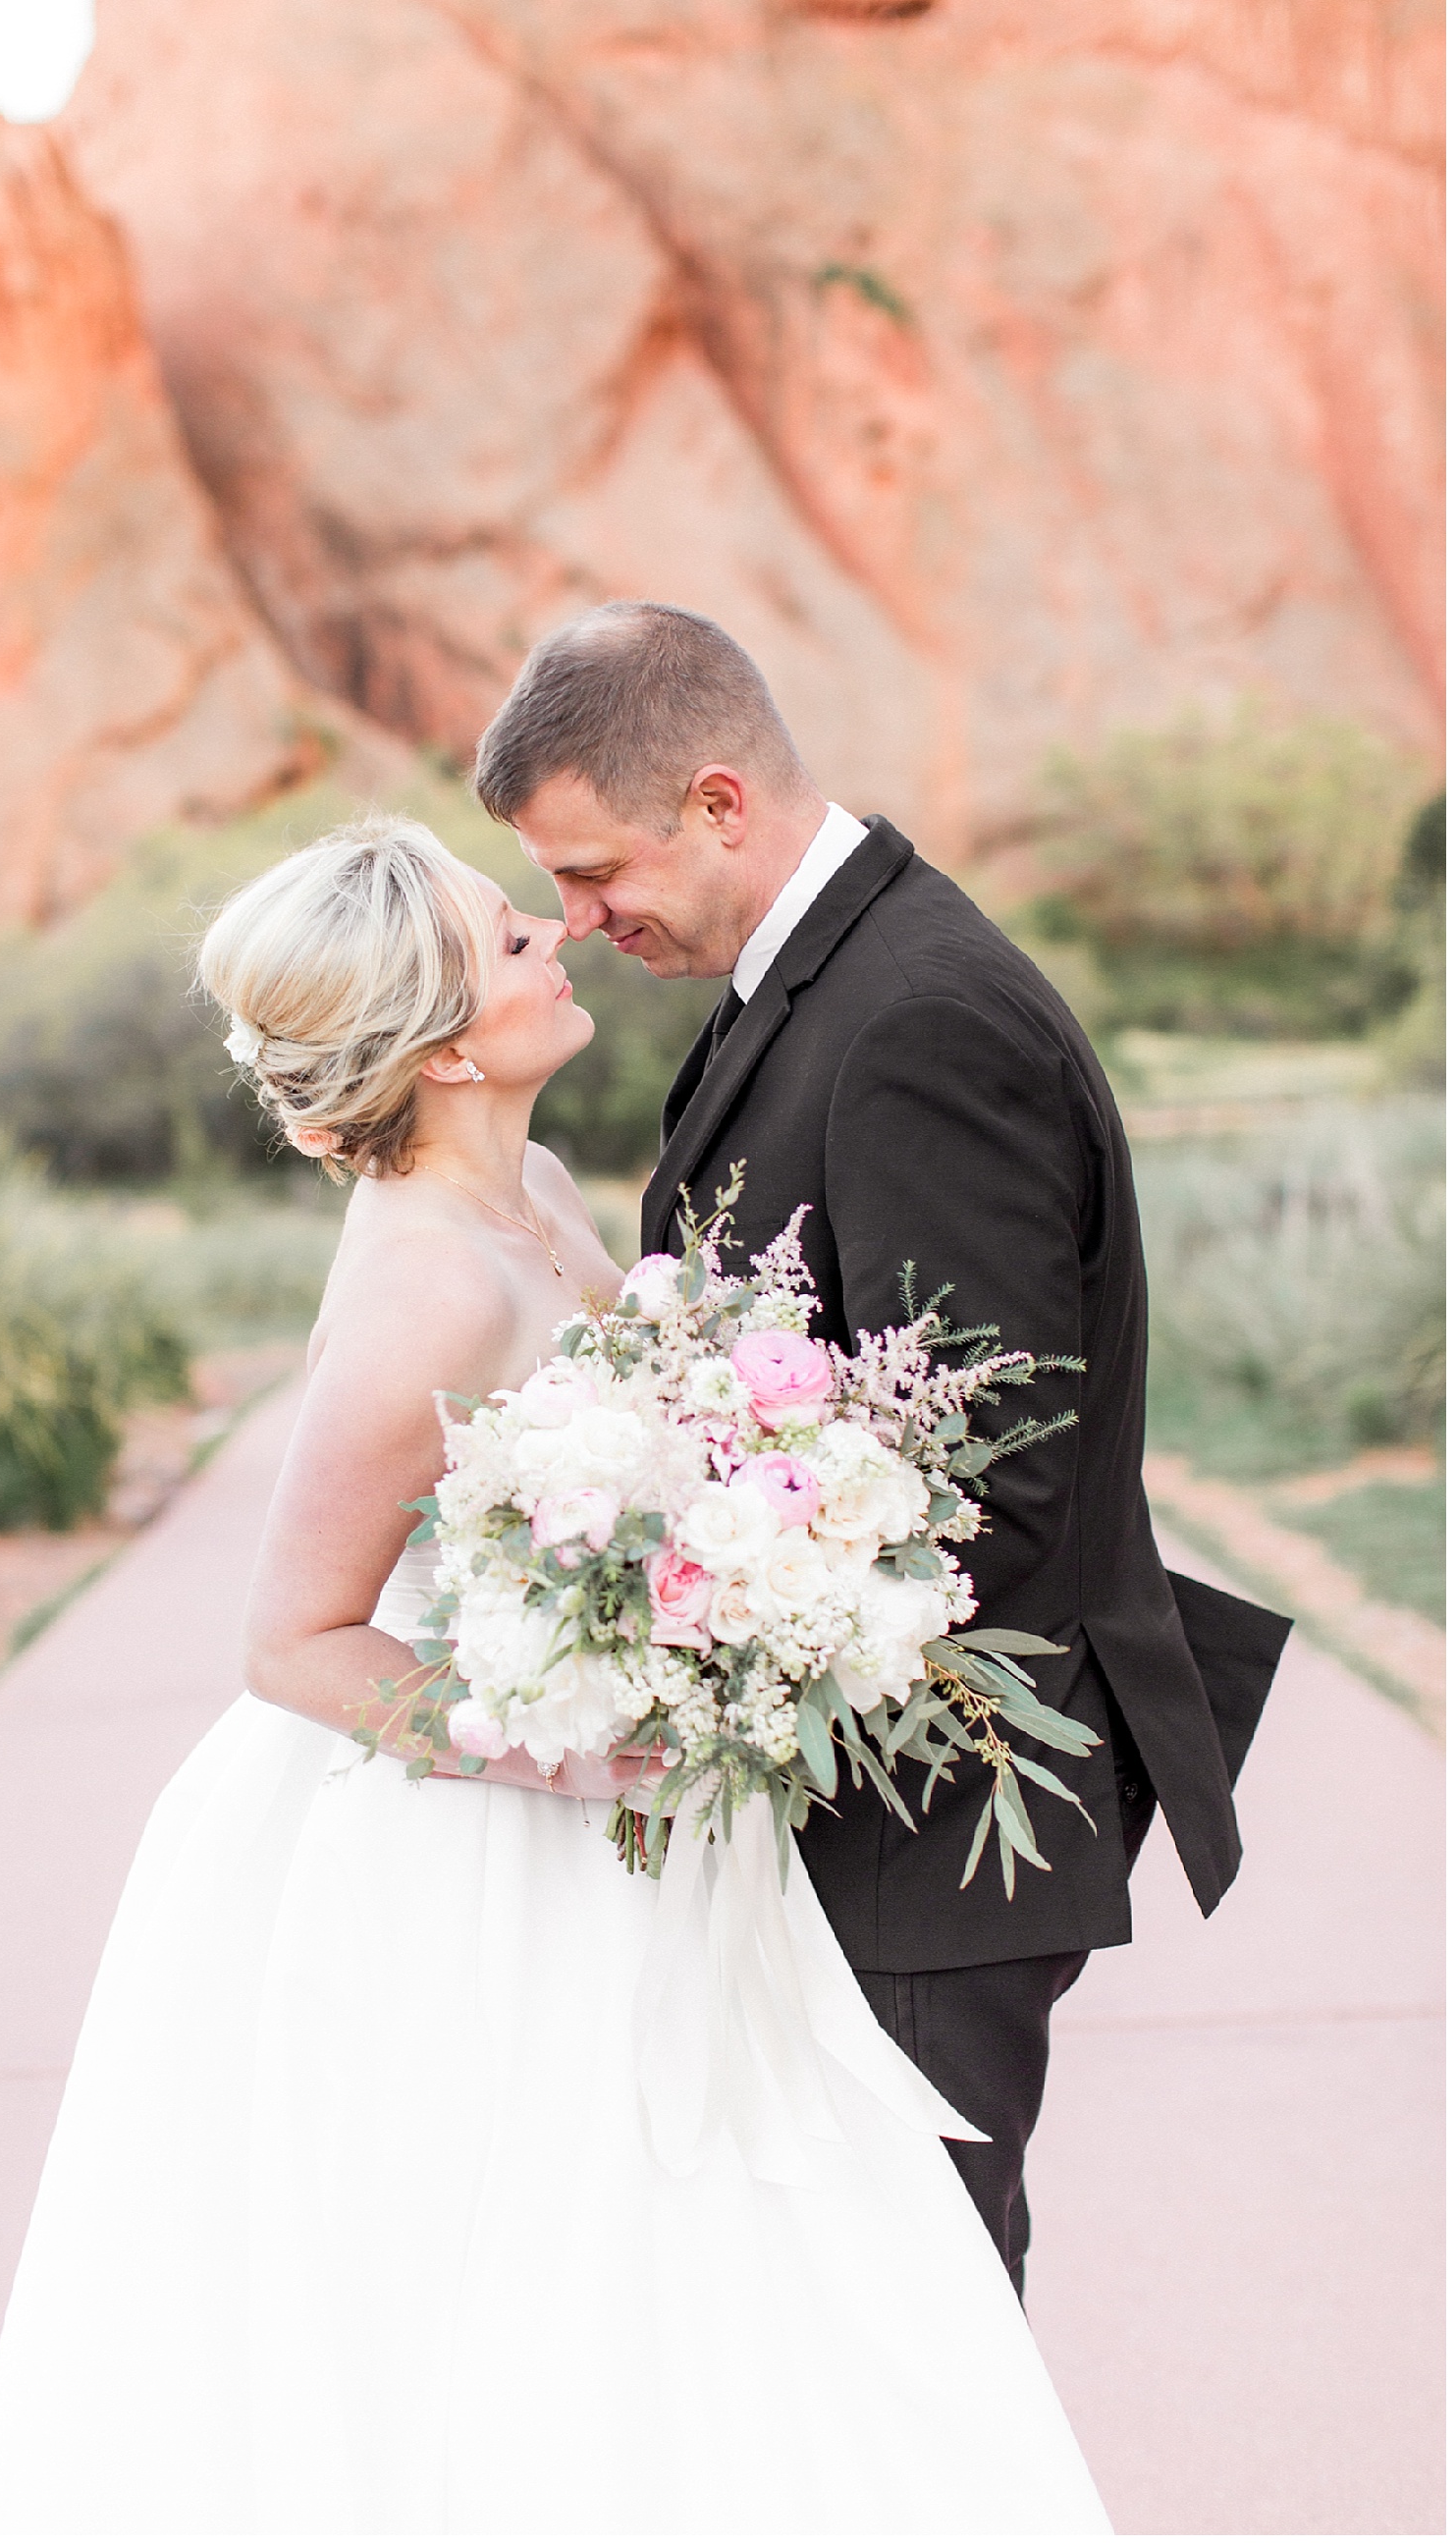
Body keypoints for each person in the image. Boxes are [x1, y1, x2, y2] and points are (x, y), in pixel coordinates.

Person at [0, 814, 1109, 2535]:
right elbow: (291, 1639)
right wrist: (579, 1752)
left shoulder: (543, 1189)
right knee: (527, 2286)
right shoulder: (422, 1285)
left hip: (636, 1803)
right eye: (508, 941)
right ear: (437, 1047)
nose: (552, 938)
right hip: (478, 1846)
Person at [473, 599, 1290, 2295]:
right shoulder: (814, 982)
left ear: (716, 802)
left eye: (594, 871)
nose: (582, 920)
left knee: (917, 2322)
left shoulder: (918, 1017)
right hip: (855, 1803)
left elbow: (989, 1472)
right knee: (841, 2318)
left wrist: (704, 1626)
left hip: (930, 1820)